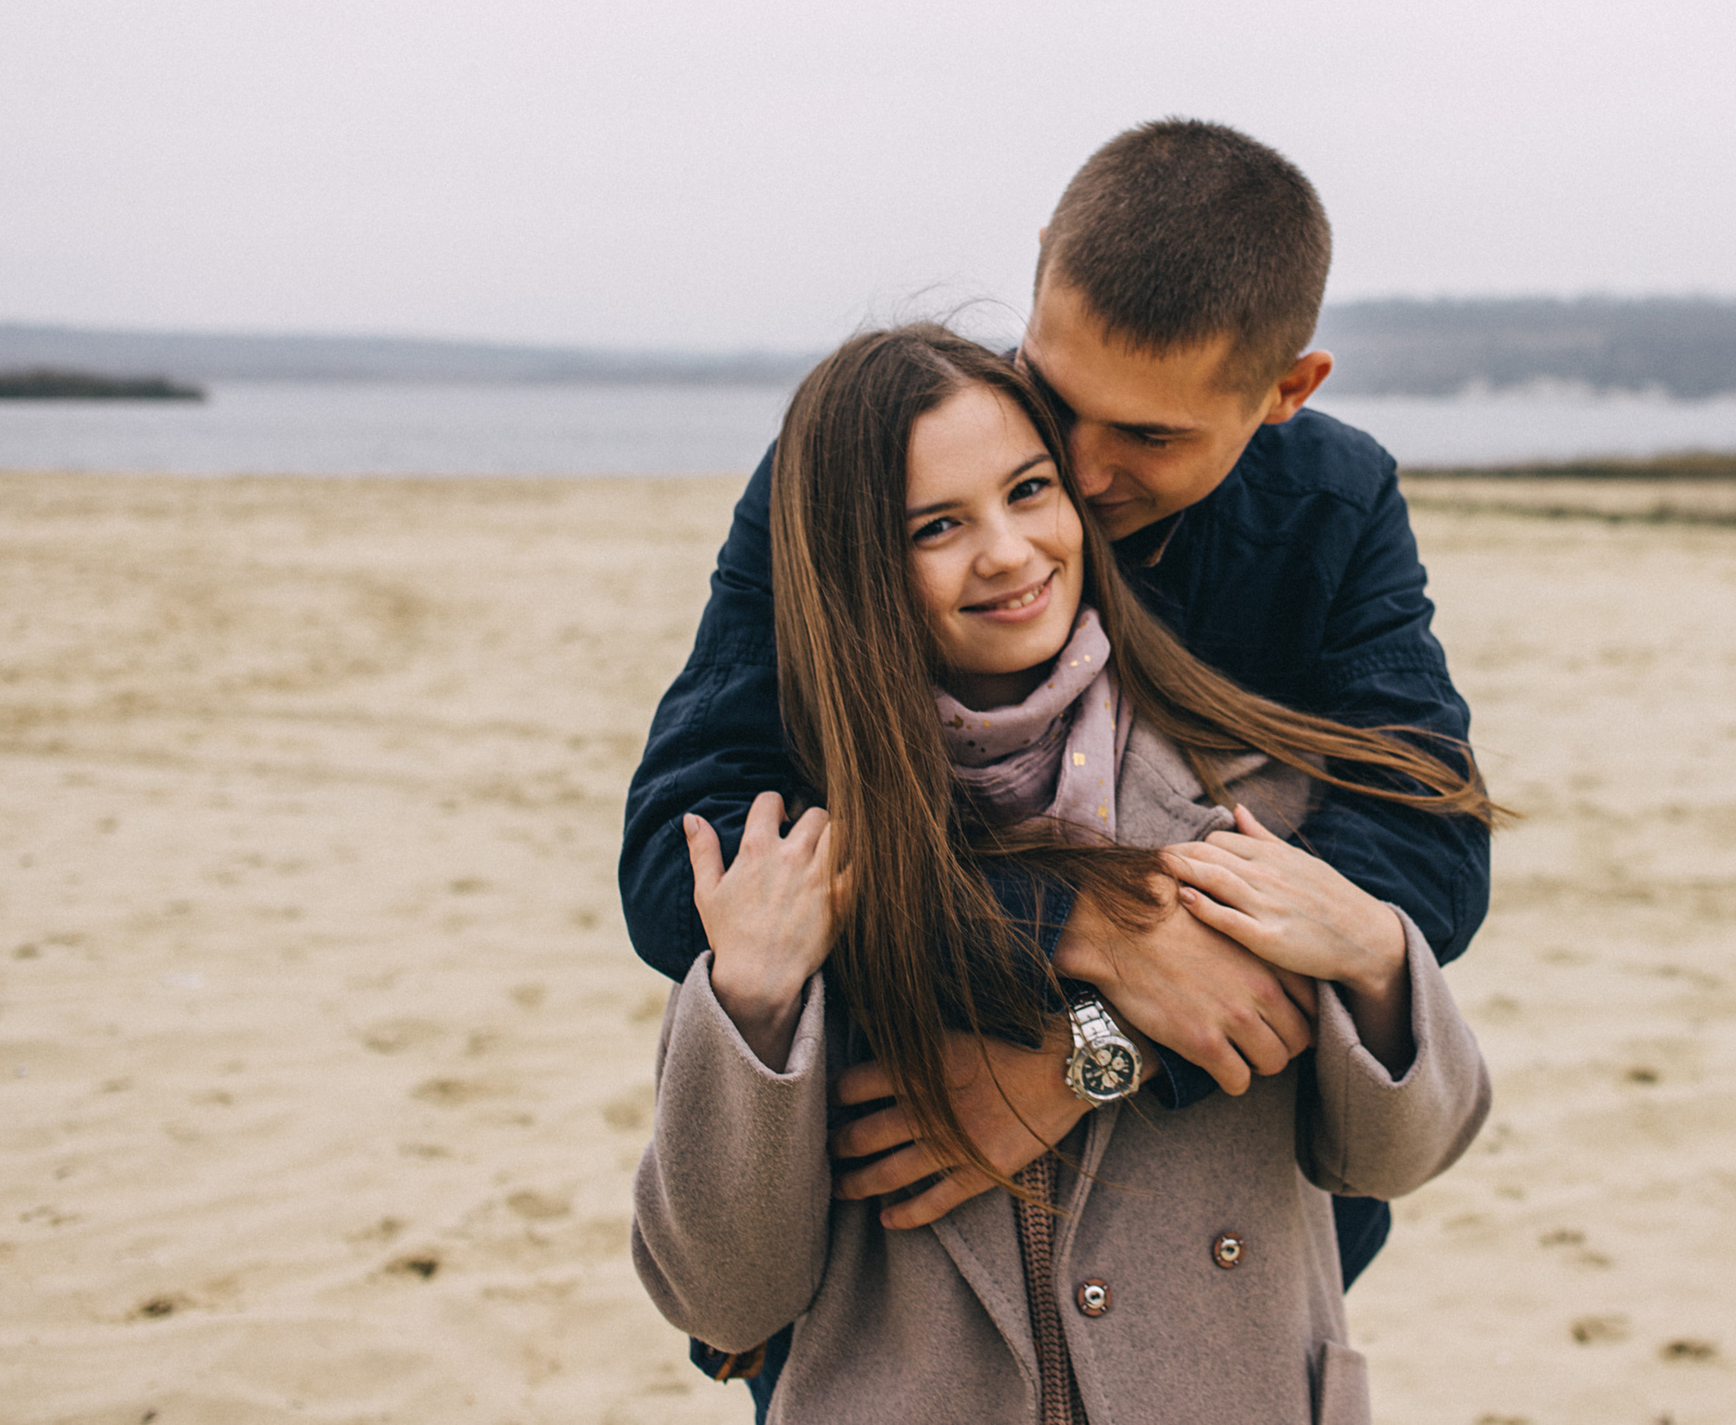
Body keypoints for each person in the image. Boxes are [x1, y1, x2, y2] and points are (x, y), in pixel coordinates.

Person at [620, 118, 1492, 1394]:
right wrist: (1073, 924)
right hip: (903, 1289)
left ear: (1286, 392)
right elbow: (682, 862)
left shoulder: (1328, 505)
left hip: (1223, 1282)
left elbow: (1416, 863)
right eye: (1057, 397)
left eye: (1147, 438)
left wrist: (1091, 1054)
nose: (1078, 477)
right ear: (1039, 276)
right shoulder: (869, 468)